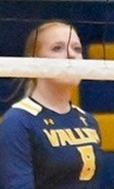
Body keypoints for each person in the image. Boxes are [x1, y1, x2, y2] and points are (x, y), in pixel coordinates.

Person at [0, 20, 102, 188]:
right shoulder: (18, 121)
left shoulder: (89, 121)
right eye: (57, 48)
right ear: (34, 61)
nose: (71, 55)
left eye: (77, 49)